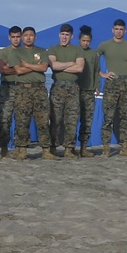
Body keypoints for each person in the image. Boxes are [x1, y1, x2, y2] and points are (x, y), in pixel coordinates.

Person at [8, 26, 56, 160]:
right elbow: (18, 71)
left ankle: (46, 149)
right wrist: (35, 67)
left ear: (35, 37)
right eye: (26, 35)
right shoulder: (16, 52)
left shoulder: (42, 51)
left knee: (43, 120)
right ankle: (22, 149)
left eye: (31, 35)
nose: (28, 37)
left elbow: (44, 67)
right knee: (22, 120)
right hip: (23, 89)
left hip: (39, 89)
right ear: (22, 37)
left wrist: (27, 65)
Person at [97, 19, 127, 157]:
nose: (118, 32)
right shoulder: (105, 45)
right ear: (112, 30)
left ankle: (125, 147)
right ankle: (106, 147)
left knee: (125, 116)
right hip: (111, 83)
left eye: (121, 29)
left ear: (125, 31)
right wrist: (102, 74)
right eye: (116, 29)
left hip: (126, 83)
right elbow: (92, 60)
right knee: (108, 117)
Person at [47, 23, 85, 158]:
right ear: (59, 35)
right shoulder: (52, 49)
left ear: (72, 36)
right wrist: (70, 63)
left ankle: (69, 148)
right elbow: (54, 66)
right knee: (55, 119)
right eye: (62, 34)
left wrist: (61, 66)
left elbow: (80, 68)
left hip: (73, 87)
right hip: (58, 86)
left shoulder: (78, 50)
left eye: (67, 35)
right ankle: (52, 147)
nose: (64, 37)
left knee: (72, 119)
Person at [0, 26, 23, 157]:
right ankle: (4, 146)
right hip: (7, 88)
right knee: (4, 119)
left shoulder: (26, 52)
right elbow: (3, 69)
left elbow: (35, 68)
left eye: (18, 37)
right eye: (13, 37)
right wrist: (20, 68)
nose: (16, 40)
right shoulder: (3, 52)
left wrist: (12, 66)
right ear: (9, 37)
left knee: (22, 119)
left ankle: (19, 147)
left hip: (22, 88)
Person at [76, 25, 100, 157]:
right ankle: (70, 147)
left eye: (88, 41)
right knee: (73, 120)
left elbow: (96, 70)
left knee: (87, 120)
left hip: (89, 91)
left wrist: (96, 85)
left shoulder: (93, 54)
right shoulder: (75, 51)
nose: (85, 43)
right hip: (75, 90)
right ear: (79, 40)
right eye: (83, 40)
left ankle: (83, 147)